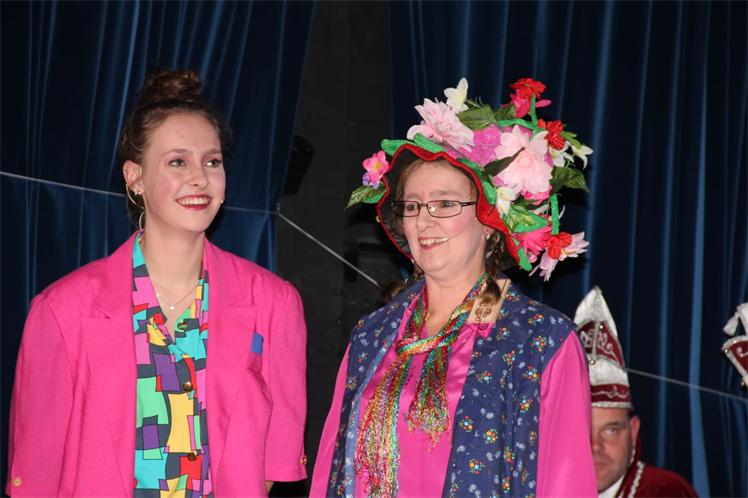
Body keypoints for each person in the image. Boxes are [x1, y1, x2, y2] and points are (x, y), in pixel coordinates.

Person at [6, 68, 307, 497]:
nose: (200, 177)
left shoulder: (275, 303)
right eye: (177, 162)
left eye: (212, 162)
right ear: (135, 177)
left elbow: (274, 462)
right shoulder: (61, 309)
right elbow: (35, 472)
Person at [311, 78, 597, 497]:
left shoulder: (538, 340)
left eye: (445, 203)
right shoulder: (372, 335)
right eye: (412, 206)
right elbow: (329, 471)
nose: (424, 220)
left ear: (489, 222)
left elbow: (566, 484)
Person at [574, 287, 698, 498]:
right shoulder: (538, 488)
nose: (595, 447)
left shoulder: (665, 492)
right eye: (581, 431)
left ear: (633, 431)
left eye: (611, 430)